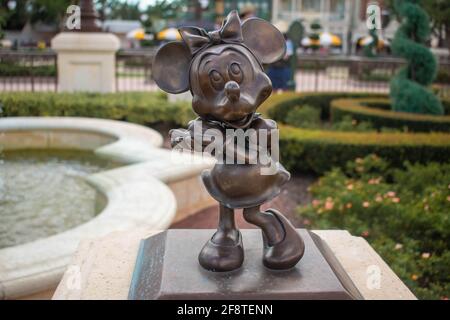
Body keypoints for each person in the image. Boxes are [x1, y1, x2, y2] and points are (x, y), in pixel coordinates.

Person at [267, 21, 294, 92]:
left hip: (283, 68)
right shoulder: (272, 42)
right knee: (273, 89)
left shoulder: (288, 42)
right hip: (273, 68)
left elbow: (286, 57)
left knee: (285, 89)